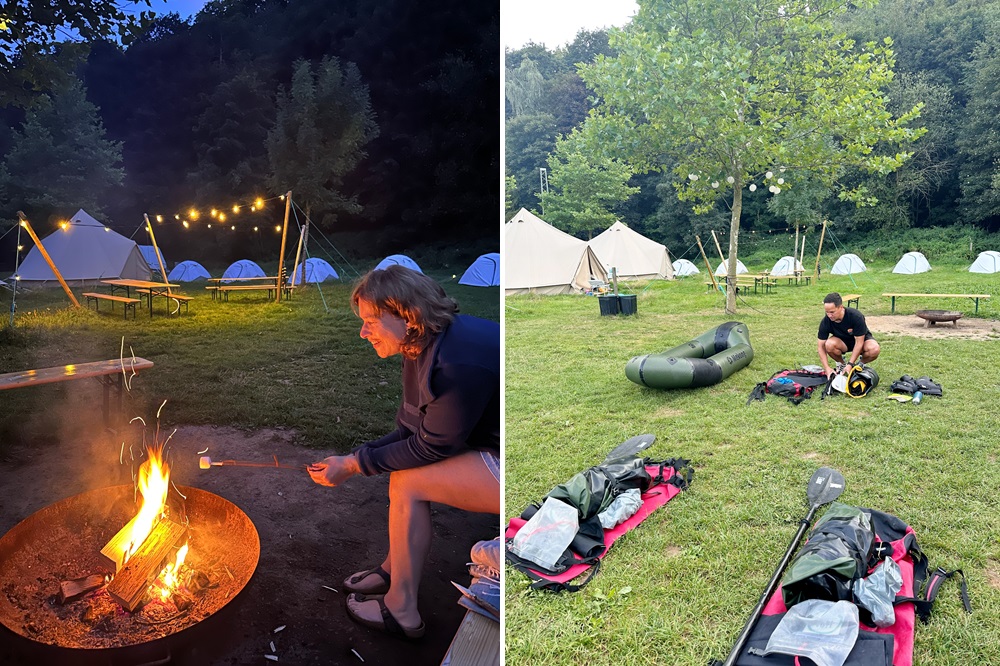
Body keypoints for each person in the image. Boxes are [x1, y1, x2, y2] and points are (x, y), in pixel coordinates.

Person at [307, 265, 500, 640]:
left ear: (408, 317)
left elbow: (432, 446)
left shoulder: (456, 360)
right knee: (403, 476)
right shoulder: (422, 345)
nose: (362, 332)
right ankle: (396, 569)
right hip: (488, 445)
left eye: (371, 321)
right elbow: (413, 430)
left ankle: (402, 609)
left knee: (409, 482)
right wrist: (356, 456)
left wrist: (353, 465)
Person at [817, 292, 880, 378]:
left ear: (841, 307)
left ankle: (859, 364)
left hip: (860, 341)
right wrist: (827, 368)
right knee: (829, 344)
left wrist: (851, 364)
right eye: (827, 312)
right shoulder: (826, 321)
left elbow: (859, 342)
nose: (829, 315)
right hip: (843, 343)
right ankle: (842, 365)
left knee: (874, 349)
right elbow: (821, 347)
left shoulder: (856, 316)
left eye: (832, 312)